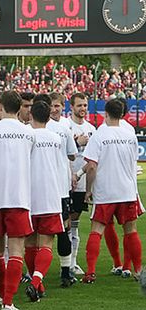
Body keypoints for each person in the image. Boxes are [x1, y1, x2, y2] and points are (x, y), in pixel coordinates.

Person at [81, 99, 143, 285]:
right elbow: (133, 164)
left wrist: (88, 190)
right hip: (127, 190)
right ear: (122, 114)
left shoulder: (100, 135)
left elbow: (91, 166)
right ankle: (138, 271)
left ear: (105, 114)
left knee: (97, 230)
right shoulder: (130, 135)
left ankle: (90, 272)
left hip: (106, 191)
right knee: (130, 231)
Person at [0, 91, 35, 310]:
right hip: (18, 196)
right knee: (16, 250)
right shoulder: (28, 133)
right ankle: (8, 301)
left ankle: (0, 294)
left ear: (0, 106)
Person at [24, 100, 66, 301]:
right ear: (49, 117)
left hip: (28, 196)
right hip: (50, 194)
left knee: (30, 243)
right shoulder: (55, 138)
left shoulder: (25, 135)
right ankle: (36, 282)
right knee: (46, 244)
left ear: (31, 114)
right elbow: (60, 167)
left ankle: (36, 282)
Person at [45, 92, 78, 286]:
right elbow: (72, 155)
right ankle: (65, 272)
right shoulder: (63, 129)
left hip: (57, 185)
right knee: (62, 228)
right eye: (52, 106)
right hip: (60, 187)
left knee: (54, 230)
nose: (54, 109)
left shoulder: (36, 127)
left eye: (57, 106)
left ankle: (62, 271)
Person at [68, 93, 96, 275]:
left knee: (74, 223)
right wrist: (77, 143)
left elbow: (94, 159)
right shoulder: (65, 126)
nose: (83, 109)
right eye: (79, 105)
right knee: (63, 224)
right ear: (71, 107)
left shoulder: (92, 129)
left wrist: (79, 175)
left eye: (85, 105)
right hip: (64, 182)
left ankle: (72, 262)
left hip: (80, 182)